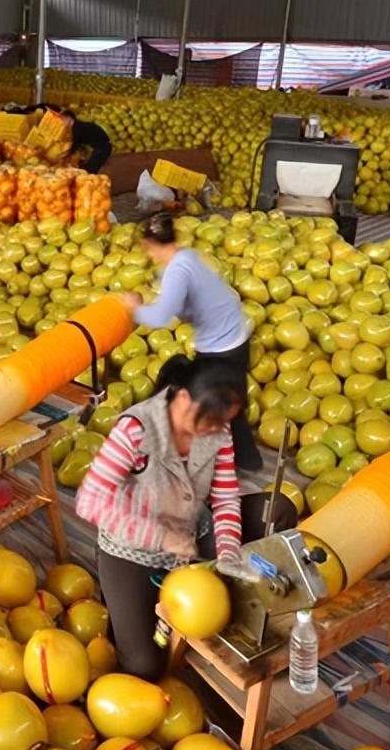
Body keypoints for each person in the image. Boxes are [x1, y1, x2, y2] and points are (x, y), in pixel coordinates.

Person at [75, 355, 294, 680]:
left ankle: (240, 601)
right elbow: (90, 501)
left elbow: (225, 498)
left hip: (193, 534)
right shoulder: (135, 431)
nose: (217, 431)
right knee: (144, 666)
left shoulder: (217, 431)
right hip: (132, 551)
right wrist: (159, 538)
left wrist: (228, 551)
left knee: (277, 510)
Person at [122, 212, 260, 471]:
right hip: (236, 338)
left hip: (220, 349)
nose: (149, 255)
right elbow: (189, 301)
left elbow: (162, 316)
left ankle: (187, 463)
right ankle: (248, 459)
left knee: (191, 398)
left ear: (153, 244)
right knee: (232, 402)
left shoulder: (177, 270)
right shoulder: (188, 256)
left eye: (148, 249)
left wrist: (134, 309)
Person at [63, 109, 112, 173]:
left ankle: (92, 181)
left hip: (102, 147)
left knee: (90, 169)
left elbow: (74, 146)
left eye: (63, 120)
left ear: (69, 118)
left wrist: (63, 155)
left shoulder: (77, 128)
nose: (63, 122)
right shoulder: (78, 125)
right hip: (102, 146)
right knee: (90, 168)